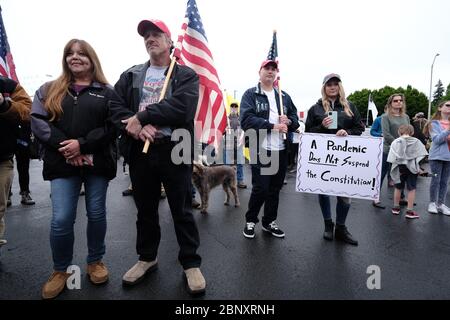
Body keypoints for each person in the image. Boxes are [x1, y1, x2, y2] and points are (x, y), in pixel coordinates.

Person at [31, 39, 131, 299]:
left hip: (97, 163)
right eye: (70, 54)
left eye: (81, 54)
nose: (75, 58)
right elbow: (38, 122)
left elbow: (113, 126)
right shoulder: (48, 89)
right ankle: (60, 270)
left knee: (96, 213)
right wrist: (66, 147)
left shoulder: (107, 92)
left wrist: (83, 145)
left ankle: (95, 260)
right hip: (61, 163)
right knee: (61, 218)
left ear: (92, 59)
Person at [114, 19, 205, 295]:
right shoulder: (130, 75)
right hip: (140, 152)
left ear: (169, 42)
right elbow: (114, 105)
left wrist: (143, 115)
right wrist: (135, 126)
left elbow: (183, 107)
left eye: (156, 34)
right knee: (145, 210)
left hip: (174, 149)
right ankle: (147, 258)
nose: (150, 39)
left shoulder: (185, 75)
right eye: (146, 35)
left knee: (182, 209)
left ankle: (190, 263)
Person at [240, 59, 299, 239]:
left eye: (274, 69)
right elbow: (246, 120)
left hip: (281, 149)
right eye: (267, 68)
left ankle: (269, 222)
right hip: (262, 148)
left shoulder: (284, 96)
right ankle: (251, 220)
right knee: (261, 188)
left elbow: (295, 119)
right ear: (260, 71)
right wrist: (272, 126)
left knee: (275, 188)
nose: (270, 72)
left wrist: (288, 121)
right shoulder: (251, 95)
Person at [305, 73, 364, 246]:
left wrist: (348, 132)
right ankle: (328, 224)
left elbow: (359, 127)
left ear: (340, 86)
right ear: (324, 87)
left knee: (345, 194)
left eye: (335, 84)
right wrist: (321, 126)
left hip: (345, 158)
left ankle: (341, 227)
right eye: (329, 84)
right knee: (323, 190)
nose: (332, 87)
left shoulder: (350, 106)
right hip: (323, 157)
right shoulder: (315, 109)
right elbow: (308, 132)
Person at [0, 75, 32, 247]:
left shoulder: (8, 85)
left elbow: (28, 111)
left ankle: (24, 192)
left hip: (4, 155)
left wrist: (4, 104)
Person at [377, 94, 410, 208]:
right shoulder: (385, 117)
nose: (398, 102)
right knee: (382, 173)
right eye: (395, 101)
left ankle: (401, 197)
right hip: (389, 149)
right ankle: (375, 197)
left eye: (401, 100)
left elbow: (408, 132)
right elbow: (386, 134)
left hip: (403, 150)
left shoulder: (406, 117)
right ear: (390, 103)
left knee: (400, 174)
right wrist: (398, 144)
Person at [387, 125, 427, 218]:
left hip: (399, 167)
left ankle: (396, 208)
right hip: (412, 168)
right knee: (411, 189)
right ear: (412, 132)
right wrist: (419, 168)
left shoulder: (395, 142)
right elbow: (422, 154)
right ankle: (409, 211)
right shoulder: (416, 142)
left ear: (398, 132)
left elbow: (391, 157)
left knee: (398, 187)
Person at [423, 101, 450, 215]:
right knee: (436, 180)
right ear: (440, 108)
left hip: (449, 157)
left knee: (445, 182)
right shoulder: (433, 123)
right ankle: (432, 203)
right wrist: (448, 130)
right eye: (447, 105)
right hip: (437, 157)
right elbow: (437, 140)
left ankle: (441, 204)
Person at [223, 102, 247, 188]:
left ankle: (240, 180)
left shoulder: (241, 118)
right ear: (230, 108)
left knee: (239, 163)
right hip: (228, 143)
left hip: (239, 144)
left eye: (235, 107)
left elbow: (245, 129)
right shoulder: (226, 119)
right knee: (228, 164)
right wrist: (225, 129)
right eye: (232, 106)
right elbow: (221, 131)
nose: (234, 108)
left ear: (237, 108)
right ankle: (227, 181)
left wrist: (243, 139)